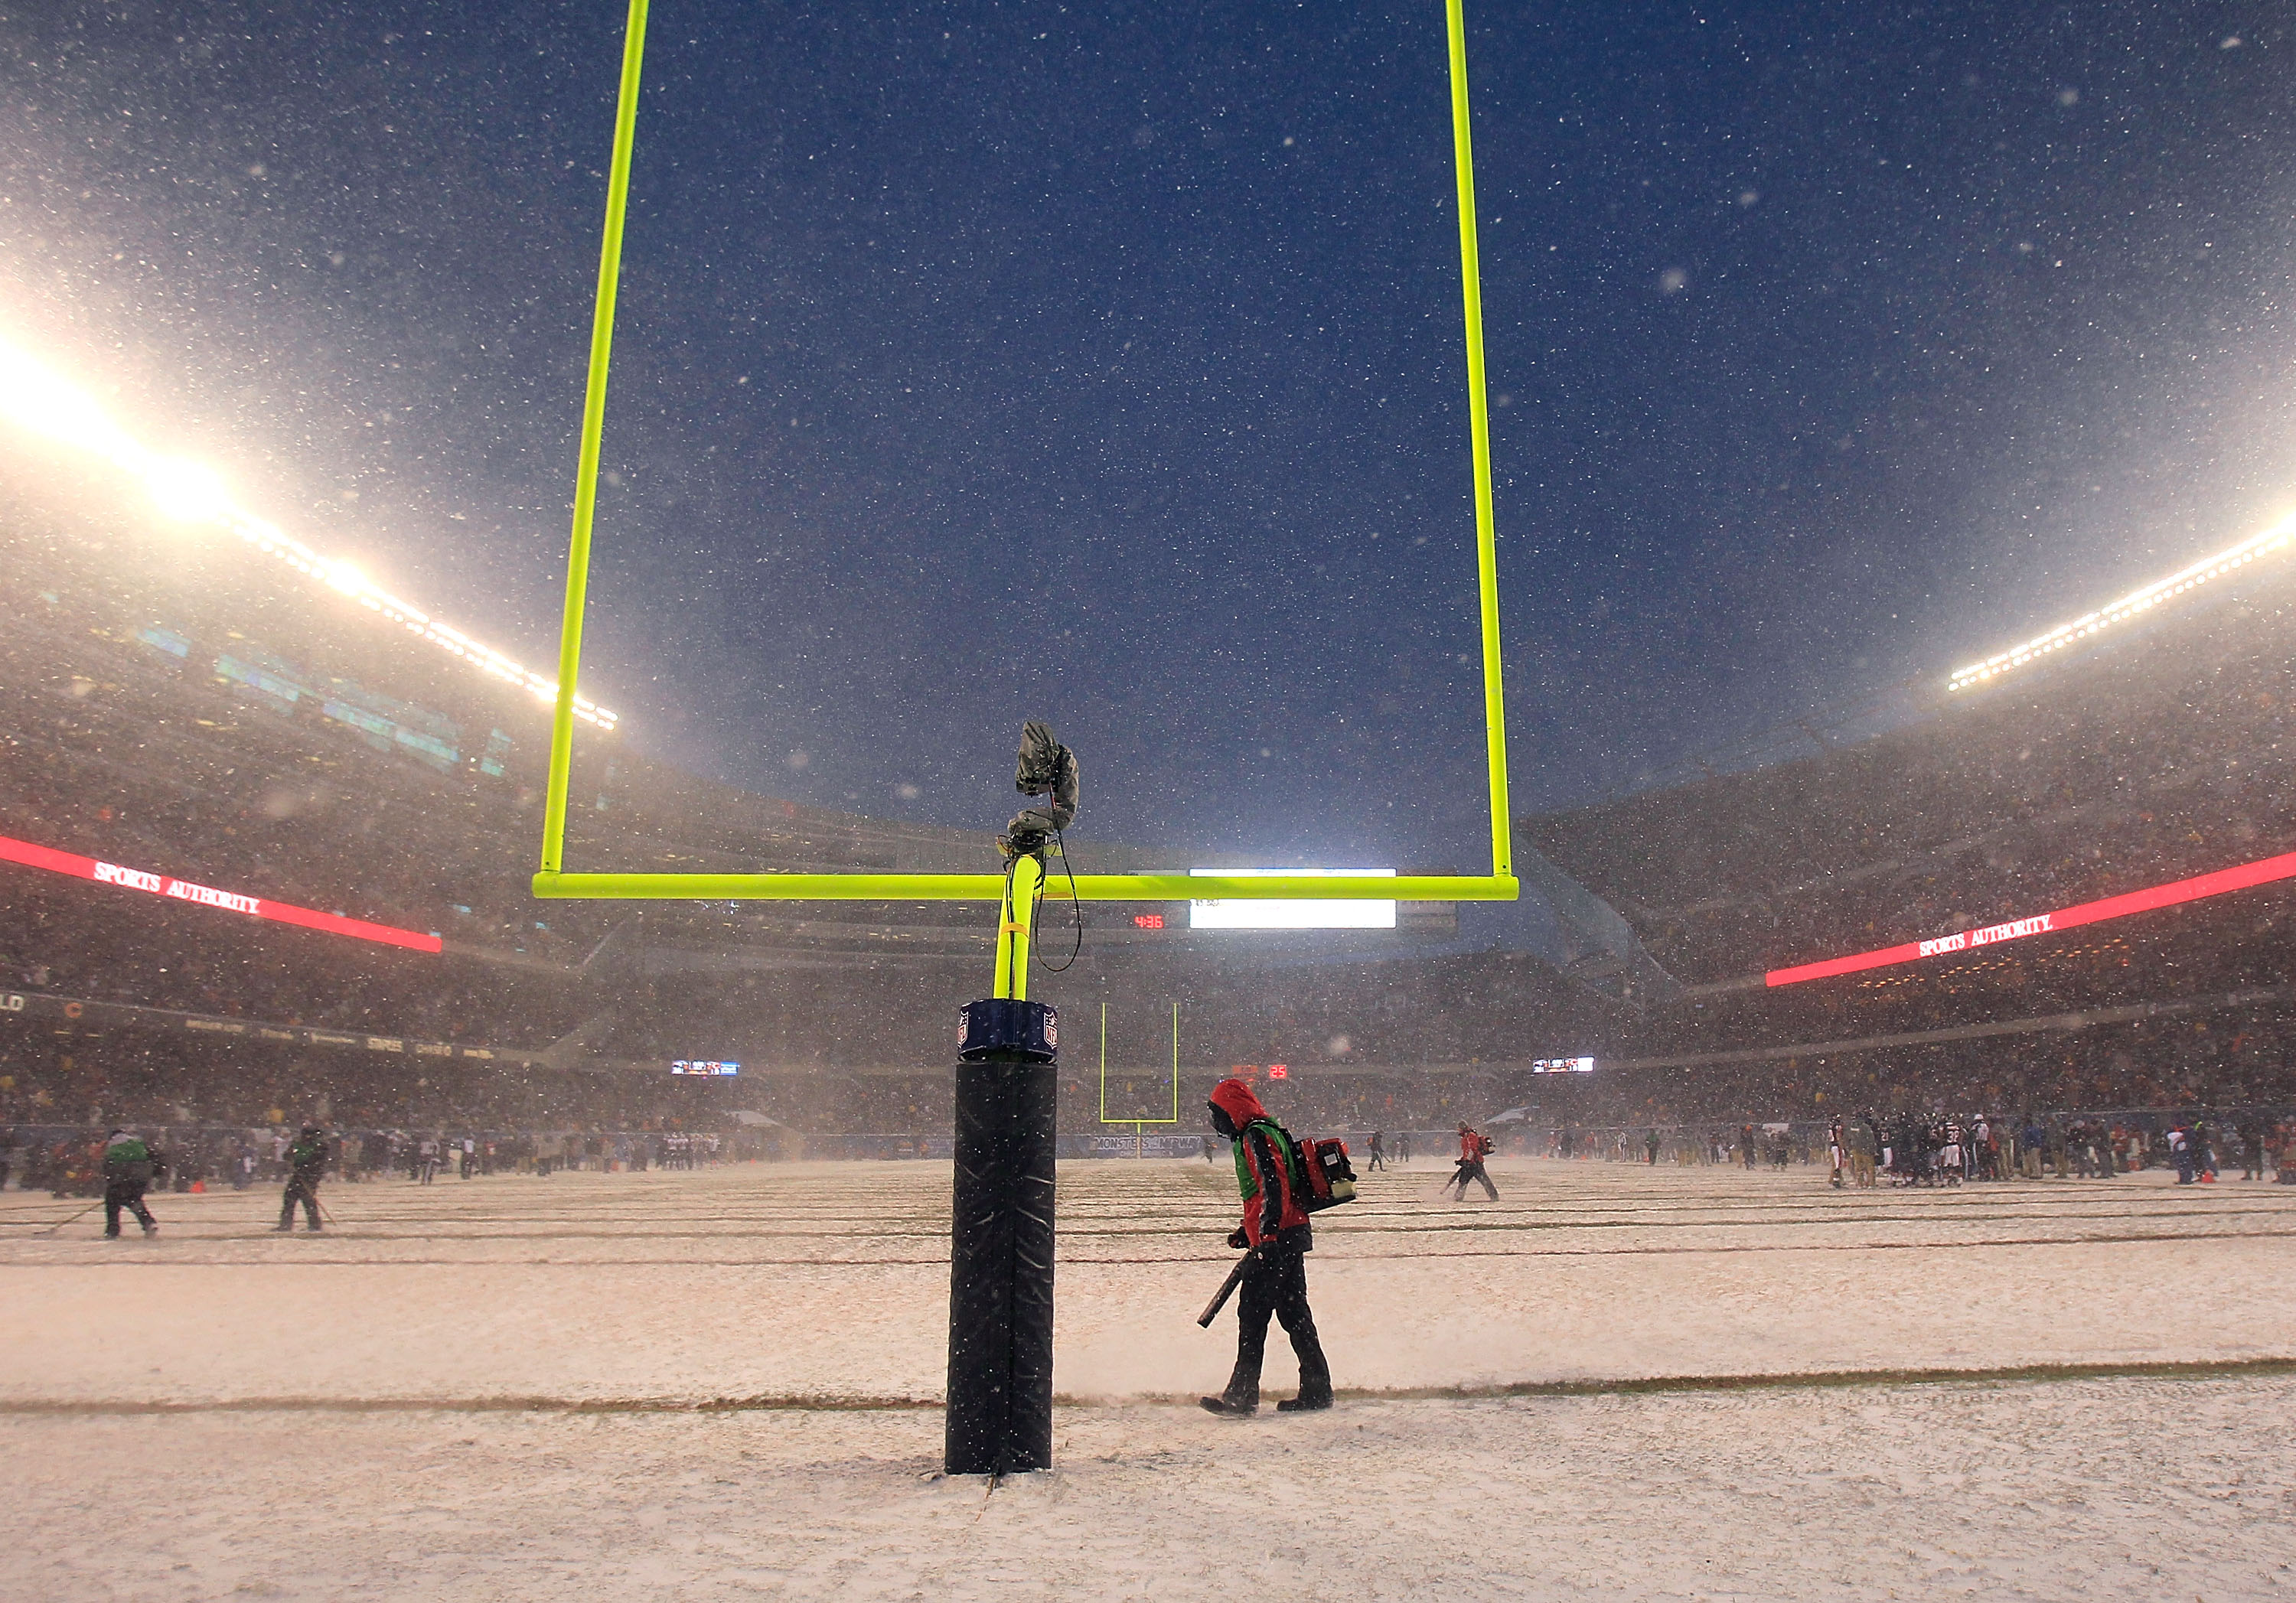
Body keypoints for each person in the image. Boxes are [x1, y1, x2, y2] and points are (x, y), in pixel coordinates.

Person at [1200, 1077, 1331, 1417]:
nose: (1217, 1122)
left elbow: (1274, 1186)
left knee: (1253, 1316)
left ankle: (1241, 1397)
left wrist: (1266, 1237)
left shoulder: (1254, 1135)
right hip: (1289, 1233)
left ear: (1231, 1110)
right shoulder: (1266, 1130)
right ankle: (1317, 1389)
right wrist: (1248, 1232)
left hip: (1277, 1240)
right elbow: (1267, 1194)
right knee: (1295, 1314)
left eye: (1218, 1114)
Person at [101, 1129, 161, 1239]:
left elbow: (108, 1167)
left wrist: (111, 1183)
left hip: (122, 1176)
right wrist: (154, 1174)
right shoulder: (137, 1142)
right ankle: (148, 1223)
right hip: (141, 1177)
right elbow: (155, 1157)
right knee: (133, 1199)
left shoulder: (112, 1146)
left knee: (112, 1202)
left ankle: (112, 1231)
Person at [278, 1125, 328, 1231]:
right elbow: (287, 1155)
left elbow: (318, 1162)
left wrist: (306, 1171)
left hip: (310, 1176)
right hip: (297, 1176)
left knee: (308, 1200)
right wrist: (289, 1157)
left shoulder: (320, 1146)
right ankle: (285, 1224)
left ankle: (315, 1225)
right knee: (289, 1198)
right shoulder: (297, 1144)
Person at [1446, 1122, 1498, 1201]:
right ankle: (1458, 1198)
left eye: (1459, 1128)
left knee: (1484, 1180)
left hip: (1475, 1163)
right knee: (1463, 1181)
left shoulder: (1470, 1136)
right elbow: (1466, 1152)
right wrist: (1462, 1160)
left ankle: (1494, 1197)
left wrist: (1466, 1160)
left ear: (1462, 1128)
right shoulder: (1465, 1137)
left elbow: (1472, 1150)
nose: (1458, 1130)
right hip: (1469, 1164)